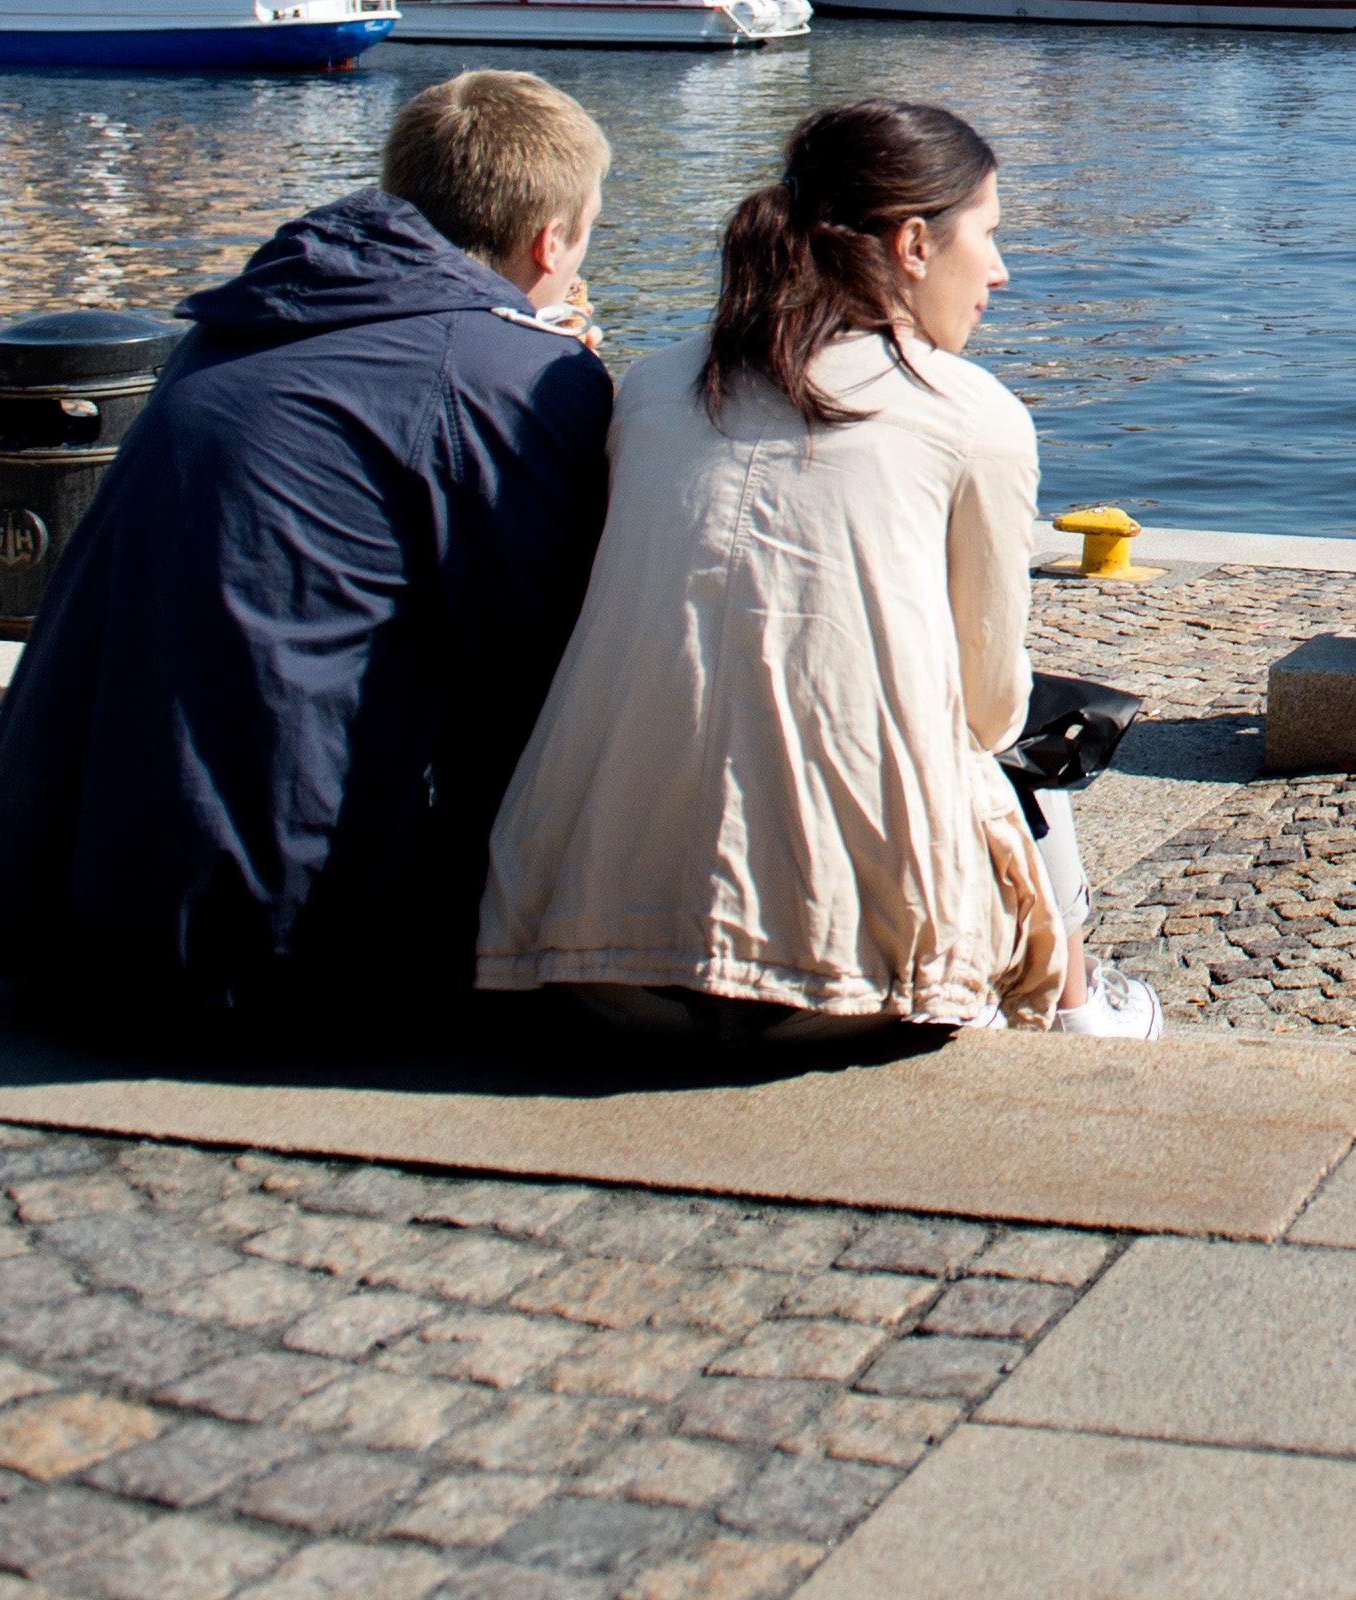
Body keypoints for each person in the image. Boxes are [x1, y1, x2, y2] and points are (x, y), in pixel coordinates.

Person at [474, 99, 1157, 1047]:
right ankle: (1086, 1014)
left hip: (583, 949)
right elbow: (990, 710)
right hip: (845, 984)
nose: (999, 271)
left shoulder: (656, 385)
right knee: (1026, 739)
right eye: (989, 237)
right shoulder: (970, 412)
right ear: (914, 243)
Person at [0, 69, 617, 1030]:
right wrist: (554, 383)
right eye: (586, 231)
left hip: (47, 912)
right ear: (549, 240)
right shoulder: (507, 371)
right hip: (258, 947)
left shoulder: (251, 318)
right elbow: (540, 654)